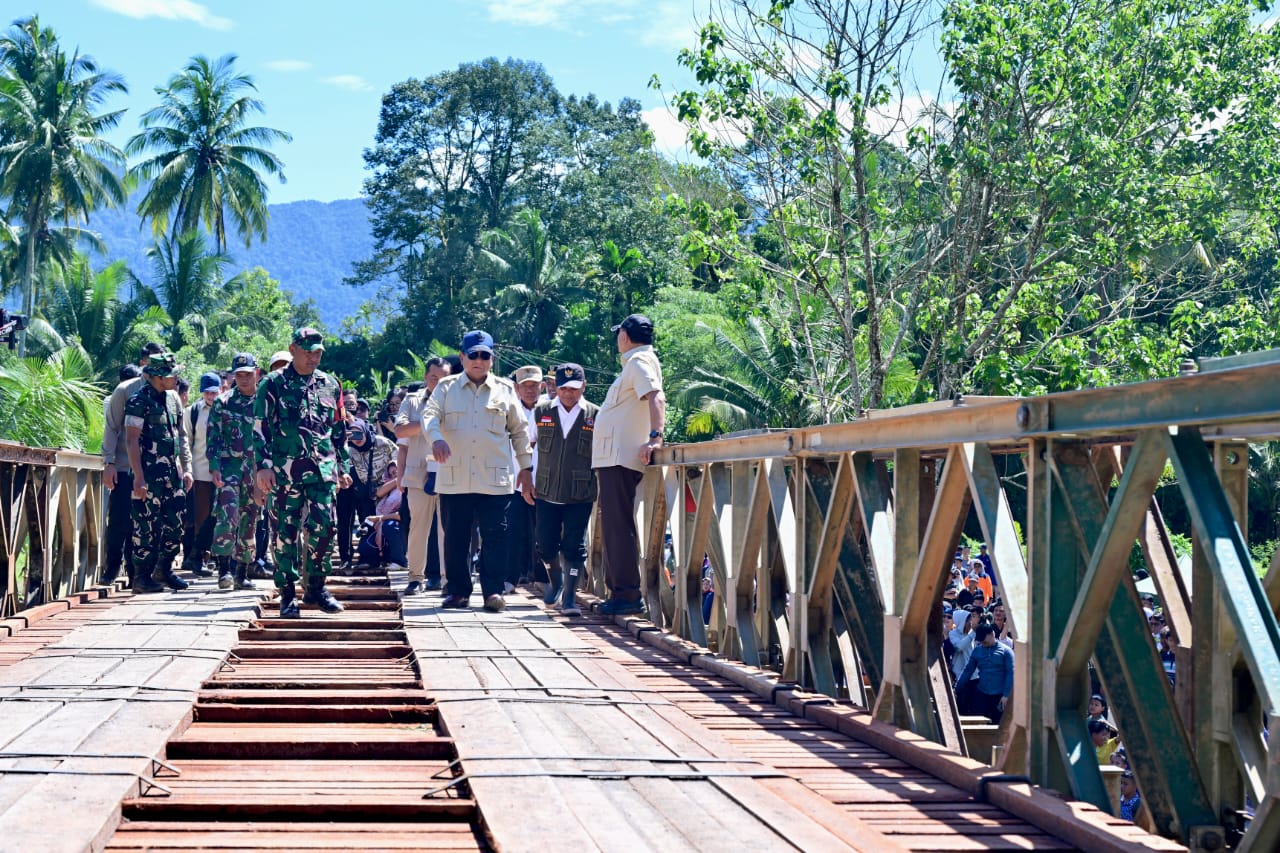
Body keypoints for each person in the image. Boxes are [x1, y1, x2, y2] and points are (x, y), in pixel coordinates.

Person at [423, 330, 534, 612]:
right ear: (463, 357)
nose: (479, 360)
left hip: (494, 479)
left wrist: (526, 467)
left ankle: (493, 592)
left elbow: (520, 432)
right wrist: (436, 438)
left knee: (496, 537)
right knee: (456, 537)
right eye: (473, 355)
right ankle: (458, 591)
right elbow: (429, 416)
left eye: (485, 356)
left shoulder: (505, 390)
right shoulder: (446, 388)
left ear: (492, 359)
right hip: (455, 477)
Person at [253, 327, 351, 617]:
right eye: (308, 351)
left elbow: (339, 429)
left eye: (318, 352)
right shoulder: (272, 383)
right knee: (286, 534)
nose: (313, 357)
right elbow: (259, 428)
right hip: (285, 472)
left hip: (323, 471)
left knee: (326, 528)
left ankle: (317, 589)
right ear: (293, 349)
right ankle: (287, 595)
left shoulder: (330, 384)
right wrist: (264, 466)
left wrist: (343, 467)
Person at [591, 313, 665, 615]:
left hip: (620, 458)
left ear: (624, 335)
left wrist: (655, 437)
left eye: (618, 334)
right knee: (614, 525)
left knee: (617, 526)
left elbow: (656, 398)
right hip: (614, 457)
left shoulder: (638, 362)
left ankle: (626, 594)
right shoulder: (637, 362)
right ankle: (620, 591)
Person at [533, 363, 599, 617]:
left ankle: (570, 596)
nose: (568, 394)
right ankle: (556, 579)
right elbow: (527, 447)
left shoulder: (595, 415)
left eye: (573, 388)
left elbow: (603, 454)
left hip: (580, 492)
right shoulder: (541, 412)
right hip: (546, 490)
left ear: (583, 386)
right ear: (555, 387)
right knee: (545, 545)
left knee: (574, 547)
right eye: (563, 388)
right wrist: (527, 478)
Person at [123, 353, 193, 593]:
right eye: (171, 374)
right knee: (145, 526)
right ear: (156, 377)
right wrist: (139, 478)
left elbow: (181, 437)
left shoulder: (173, 399)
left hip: (173, 475)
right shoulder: (137, 400)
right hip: (148, 475)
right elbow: (131, 441)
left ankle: (164, 569)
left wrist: (186, 468)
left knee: (176, 524)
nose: (176, 378)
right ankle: (141, 577)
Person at [101, 344, 164, 586]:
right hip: (125, 467)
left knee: (147, 523)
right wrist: (108, 462)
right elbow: (112, 427)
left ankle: (136, 571)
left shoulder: (166, 391)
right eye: (151, 361)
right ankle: (111, 568)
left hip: (155, 471)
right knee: (119, 520)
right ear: (143, 362)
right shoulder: (125, 390)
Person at [207, 353, 262, 591]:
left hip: (257, 469)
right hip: (230, 467)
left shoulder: (265, 400)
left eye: (247, 374)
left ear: (256, 373)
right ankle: (224, 570)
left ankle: (242, 572)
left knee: (250, 517)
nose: (243, 379)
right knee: (226, 516)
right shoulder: (224, 401)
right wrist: (214, 466)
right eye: (238, 375)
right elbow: (213, 436)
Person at [395, 357, 450, 595]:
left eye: (444, 378)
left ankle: (451, 580)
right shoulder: (412, 401)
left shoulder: (458, 402)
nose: (438, 383)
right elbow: (401, 431)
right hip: (418, 475)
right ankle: (415, 577)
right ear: (426, 377)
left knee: (449, 529)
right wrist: (429, 423)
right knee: (418, 528)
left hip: (451, 474)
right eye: (434, 378)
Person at [181, 371, 221, 577]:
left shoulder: (227, 409)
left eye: (215, 392)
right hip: (201, 473)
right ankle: (199, 558)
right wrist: (186, 469)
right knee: (202, 519)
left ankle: (219, 558)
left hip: (225, 474)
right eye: (208, 393)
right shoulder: (193, 412)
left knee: (222, 518)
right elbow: (185, 441)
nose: (212, 397)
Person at [346, 420, 397, 570]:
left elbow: (397, 458)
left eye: (358, 433)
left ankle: (389, 558)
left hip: (387, 490)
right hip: (366, 493)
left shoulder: (382, 443)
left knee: (386, 525)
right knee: (367, 525)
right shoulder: (349, 449)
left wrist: (393, 479)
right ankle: (369, 559)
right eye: (352, 433)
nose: (356, 437)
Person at [509, 365, 542, 592]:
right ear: (516, 388)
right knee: (514, 530)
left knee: (542, 532)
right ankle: (514, 576)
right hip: (515, 480)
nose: (530, 390)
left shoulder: (552, 409)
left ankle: (541, 578)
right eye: (525, 386)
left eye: (534, 385)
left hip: (545, 482)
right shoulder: (508, 411)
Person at [955, 622, 1014, 723]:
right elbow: (968, 671)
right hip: (982, 693)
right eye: (981, 641)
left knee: (998, 724)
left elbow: (1011, 673)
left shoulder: (1006, 651)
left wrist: (1006, 695)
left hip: (999, 696)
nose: (982, 643)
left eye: (984, 640)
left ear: (992, 634)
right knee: (977, 723)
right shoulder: (977, 651)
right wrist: (957, 688)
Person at [358, 461, 407, 570]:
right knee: (364, 548)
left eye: (397, 471)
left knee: (389, 525)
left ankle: (400, 562)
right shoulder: (389, 491)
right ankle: (377, 560)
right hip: (384, 530)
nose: (395, 474)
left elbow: (402, 516)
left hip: (403, 530)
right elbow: (379, 493)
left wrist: (380, 518)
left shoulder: (406, 490)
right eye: (392, 473)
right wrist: (397, 479)